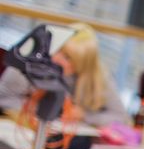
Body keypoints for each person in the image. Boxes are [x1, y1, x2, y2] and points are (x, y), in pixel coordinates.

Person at [0, 22, 128, 127]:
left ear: (82, 64)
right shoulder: (29, 64)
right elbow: (3, 97)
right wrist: (40, 108)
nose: (58, 59)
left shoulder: (99, 77)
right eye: (59, 50)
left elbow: (120, 117)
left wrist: (84, 115)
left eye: (69, 58)